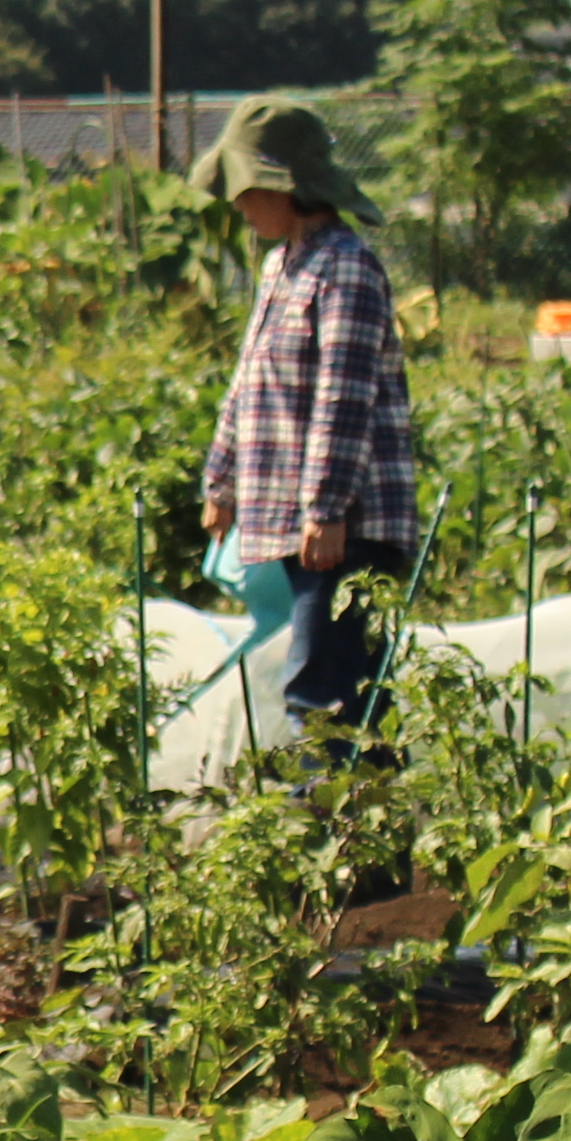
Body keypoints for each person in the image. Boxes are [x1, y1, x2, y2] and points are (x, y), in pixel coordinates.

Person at [190, 95, 419, 743]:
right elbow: (249, 381)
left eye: (244, 188)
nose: (237, 204)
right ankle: (362, 833)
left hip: (348, 527)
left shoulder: (346, 268)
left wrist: (324, 509)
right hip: (305, 524)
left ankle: (330, 831)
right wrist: (222, 482)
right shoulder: (281, 267)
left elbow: (343, 399)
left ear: (283, 187)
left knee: (326, 698)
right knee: (337, 694)